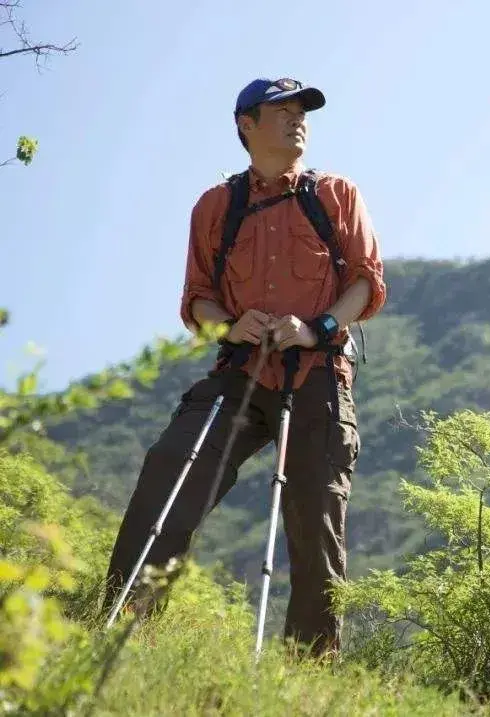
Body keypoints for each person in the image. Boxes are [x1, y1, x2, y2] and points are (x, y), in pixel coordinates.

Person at [102, 76, 387, 658]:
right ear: (246, 125)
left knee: (316, 527)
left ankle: (308, 677)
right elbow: (197, 298)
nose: (297, 119)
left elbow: (365, 282)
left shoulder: (335, 194)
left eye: (302, 111)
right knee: (169, 470)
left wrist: (317, 328)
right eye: (280, 111)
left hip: (319, 380)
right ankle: (119, 632)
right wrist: (231, 326)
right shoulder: (215, 207)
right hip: (239, 375)